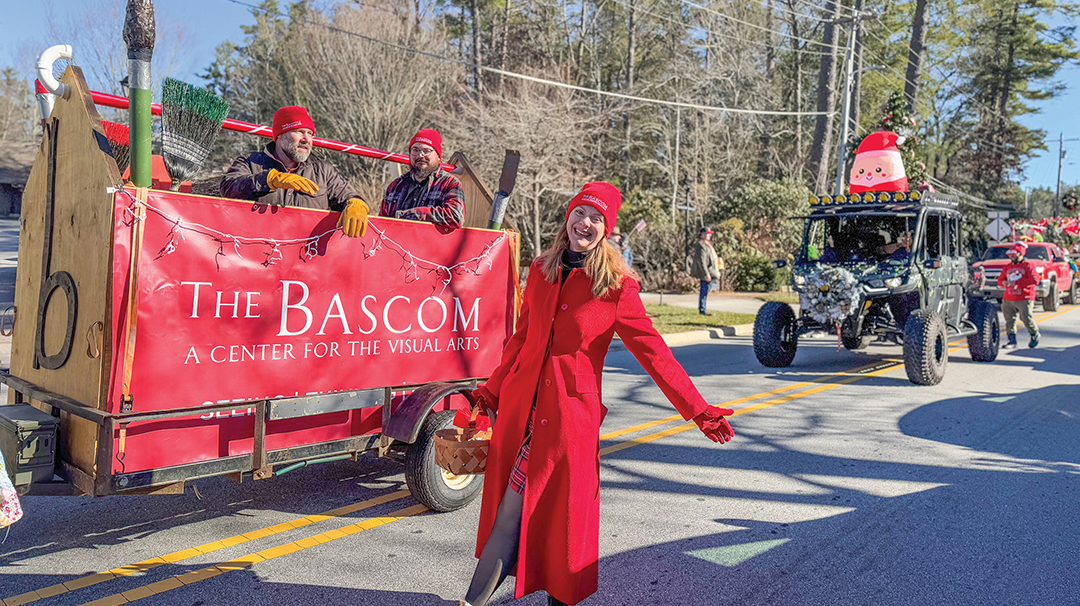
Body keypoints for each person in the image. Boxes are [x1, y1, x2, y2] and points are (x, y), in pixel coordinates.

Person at [459, 182, 735, 606]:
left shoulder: (617, 288)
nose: (585, 223)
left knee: (556, 523)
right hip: (520, 413)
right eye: (580, 213)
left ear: (607, 229)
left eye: (596, 218)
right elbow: (520, 340)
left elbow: (655, 354)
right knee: (511, 511)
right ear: (567, 217)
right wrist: (492, 392)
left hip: (569, 421)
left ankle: (488, 600)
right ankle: (474, 600)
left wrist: (698, 410)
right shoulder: (540, 270)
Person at [219, 106, 369, 238]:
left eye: (310, 133)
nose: (306, 139)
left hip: (307, 257)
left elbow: (347, 196)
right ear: (280, 135)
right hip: (258, 256)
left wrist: (356, 203)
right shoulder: (250, 162)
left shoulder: (323, 170)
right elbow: (227, 187)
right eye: (299, 132)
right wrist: (268, 180)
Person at [380, 128, 465, 229]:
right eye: (415, 150)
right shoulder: (395, 186)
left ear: (438, 156)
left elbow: (456, 216)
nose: (420, 155)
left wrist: (416, 214)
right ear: (410, 154)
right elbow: (381, 223)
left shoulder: (450, 183)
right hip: (394, 243)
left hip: (431, 244)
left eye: (426, 151)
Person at [997, 241, 1041, 349]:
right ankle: (1012, 341)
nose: (1012, 257)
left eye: (1014, 255)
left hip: (1024, 297)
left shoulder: (1028, 265)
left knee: (1026, 317)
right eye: (1010, 255)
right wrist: (1004, 283)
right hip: (1009, 297)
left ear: (1021, 254)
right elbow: (1000, 279)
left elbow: (1035, 280)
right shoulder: (1007, 267)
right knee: (1009, 320)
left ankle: (1034, 334)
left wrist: (1017, 283)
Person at [689, 227, 721, 315]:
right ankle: (703, 309)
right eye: (707, 233)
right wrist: (706, 274)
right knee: (704, 291)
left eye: (710, 233)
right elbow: (701, 261)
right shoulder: (701, 245)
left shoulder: (708, 244)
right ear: (702, 234)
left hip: (712, 270)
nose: (709, 235)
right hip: (707, 272)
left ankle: (703, 308)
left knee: (706, 290)